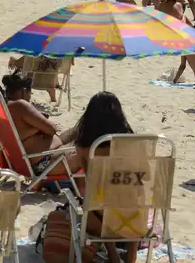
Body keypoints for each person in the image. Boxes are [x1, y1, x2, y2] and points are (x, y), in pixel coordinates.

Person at [72, 92, 136, 263]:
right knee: (134, 197)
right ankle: (131, 256)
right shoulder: (133, 143)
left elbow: (89, 179)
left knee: (95, 198)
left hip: (100, 220)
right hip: (136, 218)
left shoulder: (85, 147)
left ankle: (113, 254)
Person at [1, 73, 69, 155]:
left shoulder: (6, 107)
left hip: (34, 156)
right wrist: (39, 127)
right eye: (30, 92)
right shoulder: (21, 105)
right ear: (24, 90)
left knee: (77, 131)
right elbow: (52, 130)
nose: (30, 96)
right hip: (47, 161)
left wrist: (36, 127)